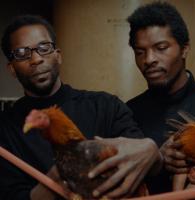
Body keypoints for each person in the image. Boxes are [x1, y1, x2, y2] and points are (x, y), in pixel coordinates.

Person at [0, 15, 161, 200]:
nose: (36, 59)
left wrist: (151, 150)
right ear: (12, 68)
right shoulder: (5, 129)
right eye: (21, 53)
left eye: (44, 48)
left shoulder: (106, 106)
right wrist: (55, 182)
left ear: (58, 55)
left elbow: (144, 164)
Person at [126, 1, 195, 194]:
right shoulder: (128, 113)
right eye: (140, 52)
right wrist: (156, 160)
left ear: (184, 49)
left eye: (161, 47)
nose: (149, 59)